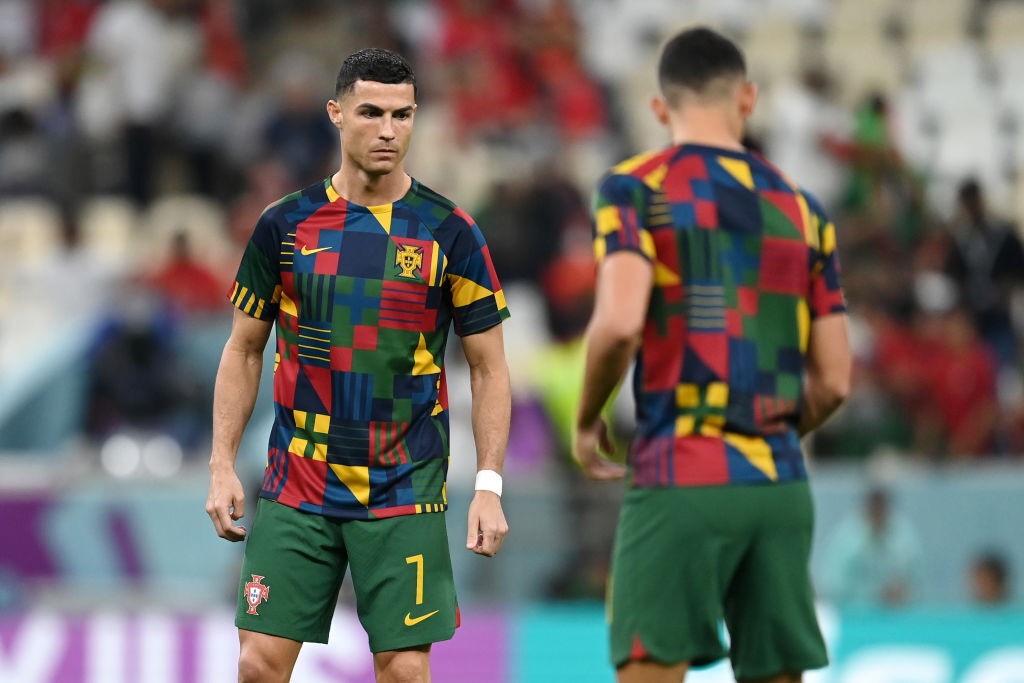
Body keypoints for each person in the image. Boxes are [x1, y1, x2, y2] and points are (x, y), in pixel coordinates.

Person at [205, 48, 512, 683]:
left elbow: (488, 368)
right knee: (259, 663)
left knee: (403, 670)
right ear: (336, 114)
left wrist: (489, 484)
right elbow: (243, 348)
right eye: (370, 112)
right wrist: (221, 464)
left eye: (403, 115)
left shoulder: (450, 232)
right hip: (299, 478)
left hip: (405, 481)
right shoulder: (283, 226)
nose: (388, 129)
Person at [573, 27, 851, 683]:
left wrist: (589, 419)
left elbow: (616, 324)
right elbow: (836, 381)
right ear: (747, 98)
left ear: (660, 107)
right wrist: (764, 433)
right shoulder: (803, 209)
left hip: (682, 471)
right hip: (780, 482)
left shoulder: (635, 189)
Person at [819, 487, 924, 608]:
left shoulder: (903, 536)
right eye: (874, 508)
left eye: (881, 508)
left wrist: (903, 591)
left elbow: (916, 581)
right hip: (855, 615)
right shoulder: (848, 538)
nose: (877, 513)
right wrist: (873, 595)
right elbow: (833, 584)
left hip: (896, 616)